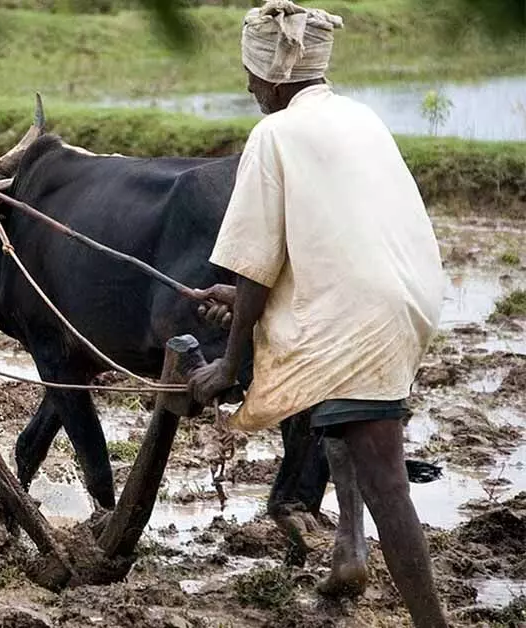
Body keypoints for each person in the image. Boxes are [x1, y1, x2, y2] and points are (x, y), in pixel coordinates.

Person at [187, 1, 448, 626]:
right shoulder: (361, 117)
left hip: (361, 319)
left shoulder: (274, 134)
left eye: (251, 75)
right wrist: (247, 304)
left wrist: (229, 363)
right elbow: (330, 243)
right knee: (338, 423)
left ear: (274, 77)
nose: (249, 87)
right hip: (405, 299)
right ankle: (348, 553)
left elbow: (253, 263)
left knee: (387, 481)